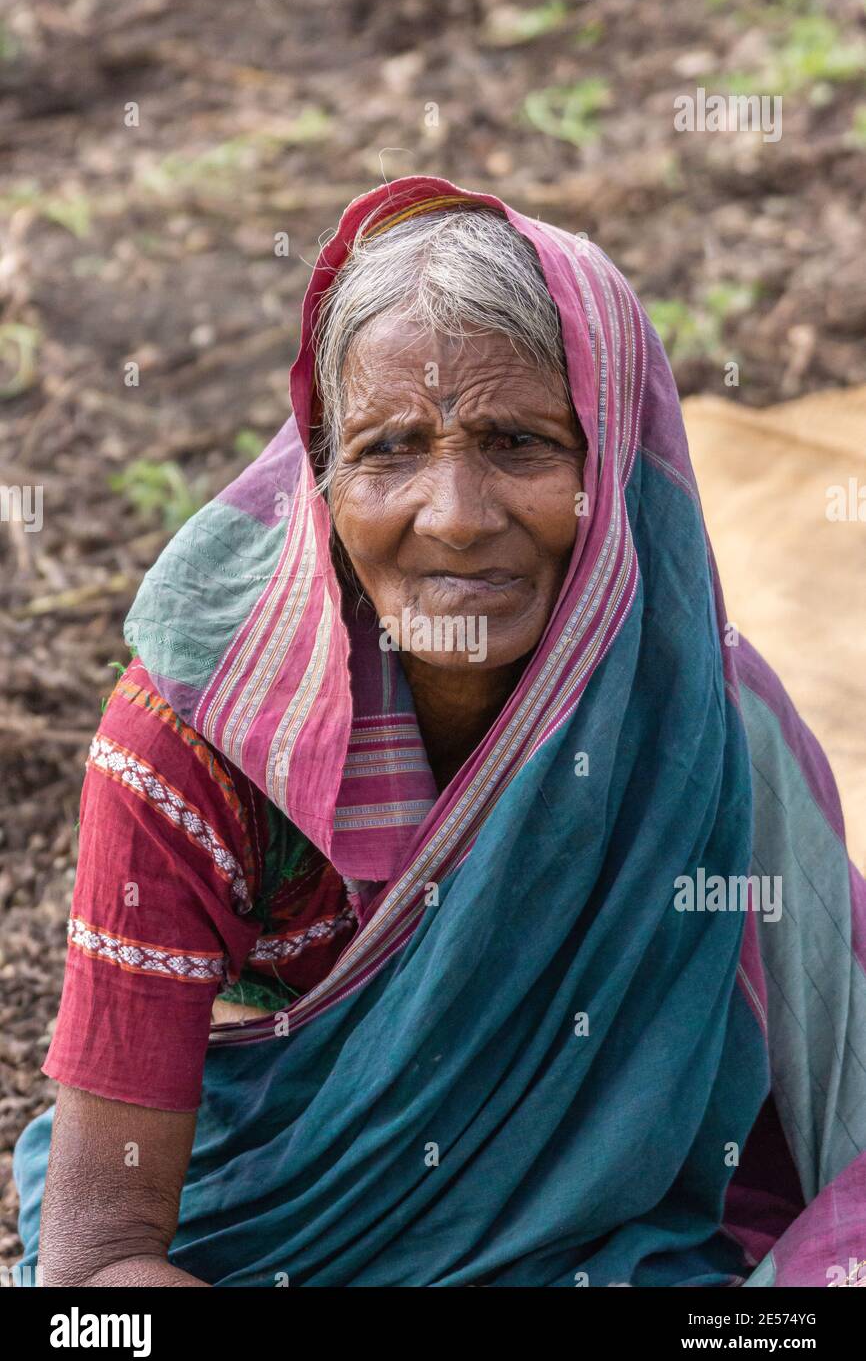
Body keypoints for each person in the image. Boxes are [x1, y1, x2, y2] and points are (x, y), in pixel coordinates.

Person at [13, 175, 866, 1287]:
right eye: (390, 449)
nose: (456, 517)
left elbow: (832, 1104)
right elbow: (96, 1269)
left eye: (517, 442)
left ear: (607, 469)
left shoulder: (696, 725)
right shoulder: (192, 751)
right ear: (320, 479)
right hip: (261, 1249)